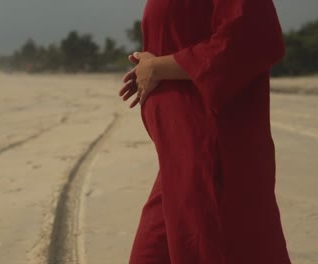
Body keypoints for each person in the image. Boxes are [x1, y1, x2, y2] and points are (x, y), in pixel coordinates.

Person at [118, 0, 292, 263]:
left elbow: (256, 36)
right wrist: (151, 70)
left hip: (212, 153)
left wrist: (159, 67)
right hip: (179, 158)